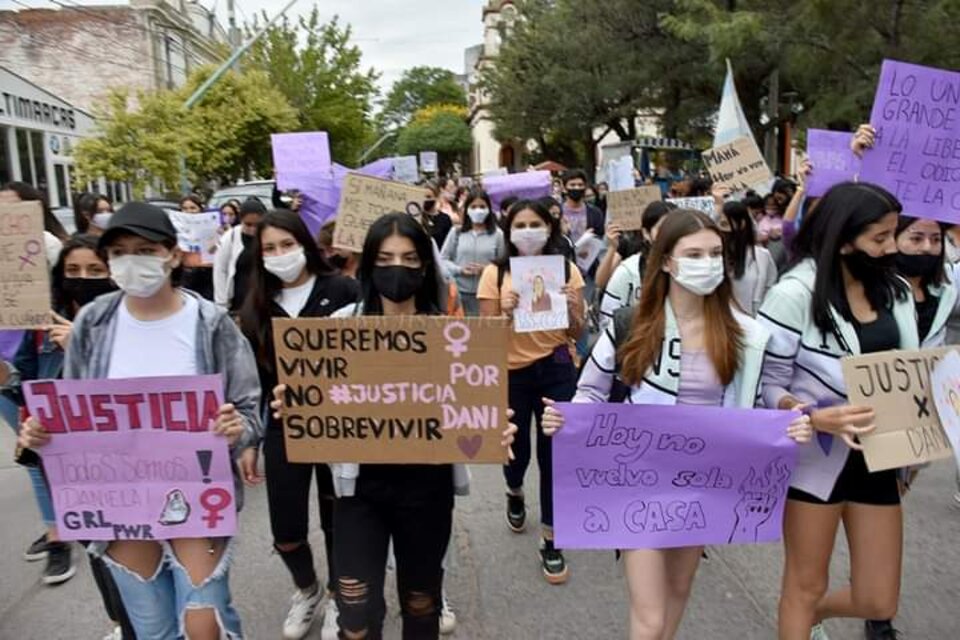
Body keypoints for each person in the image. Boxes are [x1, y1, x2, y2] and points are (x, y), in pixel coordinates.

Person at [541, 209, 811, 640]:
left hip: (703, 482)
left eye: (715, 253)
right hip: (637, 480)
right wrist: (567, 417)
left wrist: (789, 419)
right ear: (666, 260)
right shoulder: (631, 325)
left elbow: (759, 402)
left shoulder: (745, 334)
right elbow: (591, 391)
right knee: (648, 619)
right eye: (694, 253)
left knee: (677, 590)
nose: (707, 263)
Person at [18, 202, 262, 640]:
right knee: (150, 625)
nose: (133, 261)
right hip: (119, 497)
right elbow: (72, 411)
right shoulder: (94, 322)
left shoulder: (210, 323)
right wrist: (42, 432)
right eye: (120, 252)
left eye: (146, 249)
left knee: (205, 618)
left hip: (196, 490)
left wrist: (236, 429)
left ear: (171, 254)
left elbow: (249, 408)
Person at [270, 212, 517, 639]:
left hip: (427, 489)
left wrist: (497, 427)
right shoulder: (337, 330)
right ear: (367, 264)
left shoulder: (452, 336)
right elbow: (317, 401)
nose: (397, 269)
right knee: (355, 608)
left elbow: (474, 411)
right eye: (384, 259)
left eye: (408, 258)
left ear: (424, 267)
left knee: (422, 602)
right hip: (358, 491)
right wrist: (294, 403)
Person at [758, 182, 917, 640]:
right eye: (880, 238)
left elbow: (910, 368)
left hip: (878, 457)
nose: (892, 247)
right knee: (805, 584)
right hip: (814, 461)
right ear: (844, 239)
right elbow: (766, 385)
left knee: (878, 597)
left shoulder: (896, 291)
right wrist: (808, 414)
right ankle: (799, 614)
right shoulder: (793, 294)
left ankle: (806, 616)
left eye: (894, 235)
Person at [239, 210, 360, 640]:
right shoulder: (254, 304)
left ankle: (336, 596)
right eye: (269, 248)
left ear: (305, 245)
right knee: (286, 530)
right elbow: (249, 378)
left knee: (338, 519)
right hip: (282, 426)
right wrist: (249, 438)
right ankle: (305, 588)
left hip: (338, 425)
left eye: (287, 245)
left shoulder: (343, 289)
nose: (279, 255)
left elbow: (366, 355)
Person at [477, 199, 585, 584]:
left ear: (549, 228)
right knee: (517, 450)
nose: (527, 231)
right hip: (511, 374)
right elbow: (481, 337)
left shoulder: (567, 271)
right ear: (508, 231)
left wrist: (573, 310)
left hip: (555, 369)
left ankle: (552, 539)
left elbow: (576, 333)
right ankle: (514, 488)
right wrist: (502, 312)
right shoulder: (494, 273)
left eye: (534, 223)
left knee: (556, 453)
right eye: (519, 224)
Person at [598, 201, 676, 327]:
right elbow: (609, 321)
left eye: (675, 227)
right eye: (662, 228)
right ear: (646, 233)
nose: (669, 234)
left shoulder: (690, 267)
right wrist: (612, 247)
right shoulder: (628, 270)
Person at [439, 188, 506, 315]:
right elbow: (443, 259)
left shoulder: (497, 235)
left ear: (489, 209)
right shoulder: (457, 232)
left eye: (482, 206)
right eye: (473, 206)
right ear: (467, 209)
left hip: (487, 295)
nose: (478, 210)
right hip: (460, 294)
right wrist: (459, 269)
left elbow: (503, 264)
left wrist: (487, 270)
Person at [717, 200, 777, 316]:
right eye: (719, 225)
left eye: (725, 224)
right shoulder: (715, 257)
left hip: (753, 322)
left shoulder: (761, 256)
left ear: (742, 224)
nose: (722, 231)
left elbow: (769, 289)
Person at [213, 198, 267, 311]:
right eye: (248, 224)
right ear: (240, 220)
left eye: (258, 225)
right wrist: (221, 303)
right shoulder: (231, 237)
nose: (253, 229)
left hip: (266, 296)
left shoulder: (270, 235)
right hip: (239, 298)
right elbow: (220, 269)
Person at [178, 194, 215, 300]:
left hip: (207, 273)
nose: (189, 211)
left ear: (200, 209)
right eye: (184, 208)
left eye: (193, 208)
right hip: (186, 274)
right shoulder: (177, 228)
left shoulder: (210, 226)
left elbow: (213, 251)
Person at [560, 169, 605, 244]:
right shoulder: (557, 212)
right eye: (572, 185)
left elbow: (600, 237)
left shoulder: (595, 213)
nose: (577, 188)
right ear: (564, 189)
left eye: (580, 185)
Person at [420, 182, 454, 248]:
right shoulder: (418, 218)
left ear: (436, 197)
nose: (426, 200)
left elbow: (449, 243)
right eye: (423, 197)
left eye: (429, 197)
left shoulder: (445, 219)